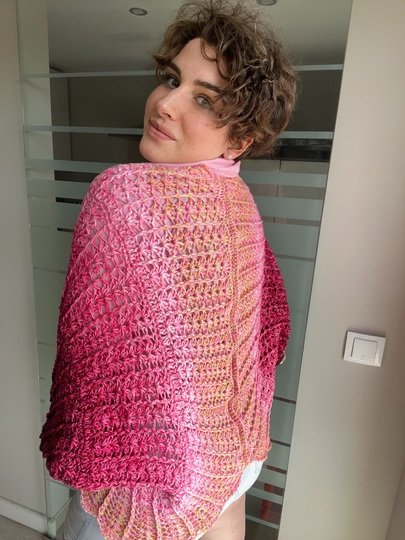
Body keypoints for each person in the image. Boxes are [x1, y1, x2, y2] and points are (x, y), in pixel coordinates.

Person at [40, 1, 296, 539]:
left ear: (241, 139)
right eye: (171, 79)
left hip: (147, 478)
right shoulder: (240, 204)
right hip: (234, 456)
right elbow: (264, 332)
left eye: (203, 98)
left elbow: (90, 368)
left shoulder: (126, 195)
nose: (165, 103)